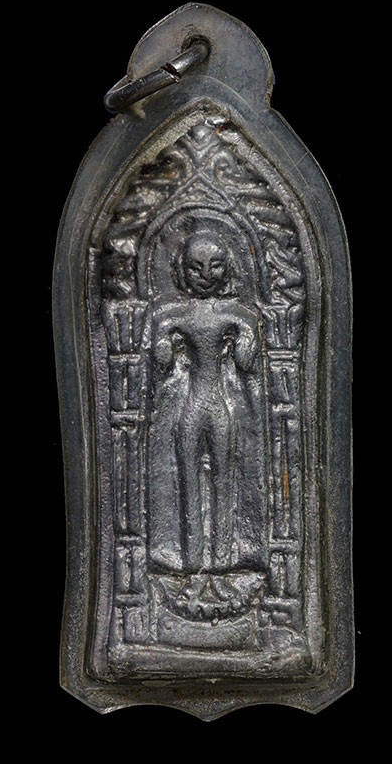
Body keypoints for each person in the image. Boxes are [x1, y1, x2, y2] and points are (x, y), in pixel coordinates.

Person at [147, 218, 268, 577]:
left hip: (218, 407)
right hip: (192, 407)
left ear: (227, 268)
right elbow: (162, 365)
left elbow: (245, 364)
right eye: (196, 267)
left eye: (215, 265)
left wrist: (247, 334)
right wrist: (163, 336)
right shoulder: (173, 316)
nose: (205, 275)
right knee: (188, 483)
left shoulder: (236, 315)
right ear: (182, 270)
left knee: (223, 483)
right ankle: (191, 564)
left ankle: (222, 562)